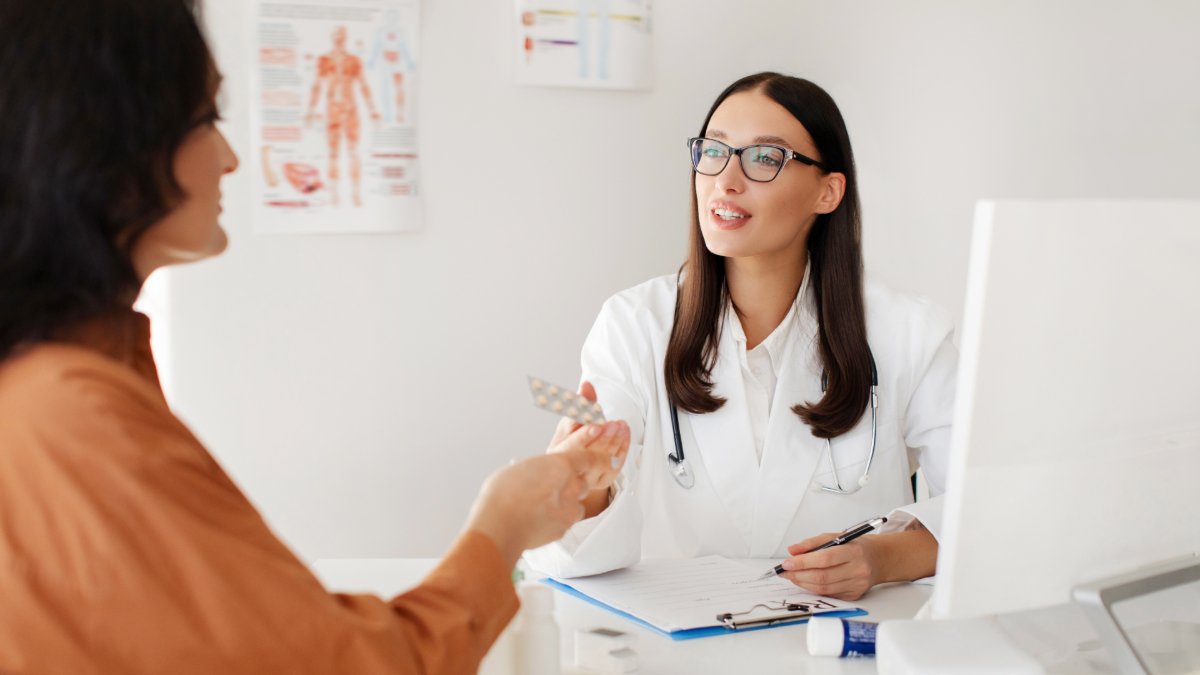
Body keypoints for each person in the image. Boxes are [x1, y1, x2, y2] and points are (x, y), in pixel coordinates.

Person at [0, 1, 629, 673]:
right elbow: (353, 662)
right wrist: (500, 526)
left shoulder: (66, 386)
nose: (234, 160)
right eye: (206, 119)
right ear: (104, 148)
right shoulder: (69, 414)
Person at [527, 72, 957, 601]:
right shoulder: (636, 323)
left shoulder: (910, 333)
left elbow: (987, 512)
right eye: (714, 151)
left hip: (839, 641)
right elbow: (572, 546)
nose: (725, 181)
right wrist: (585, 483)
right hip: (678, 644)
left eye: (763, 159)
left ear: (828, 191)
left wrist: (882, 558)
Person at [305, 25, 381, 207]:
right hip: (333, 109)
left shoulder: (353, 60)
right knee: (333, 154)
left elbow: (363, 85)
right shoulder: (325, 60)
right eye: (337, 34)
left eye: (342, 35)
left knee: (353, 151)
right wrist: (310, 110)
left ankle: (355, 194)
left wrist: (372, 110)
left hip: (350, 108)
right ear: (333, 37)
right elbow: (317, 85)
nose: (340, 38)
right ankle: (334, 195)